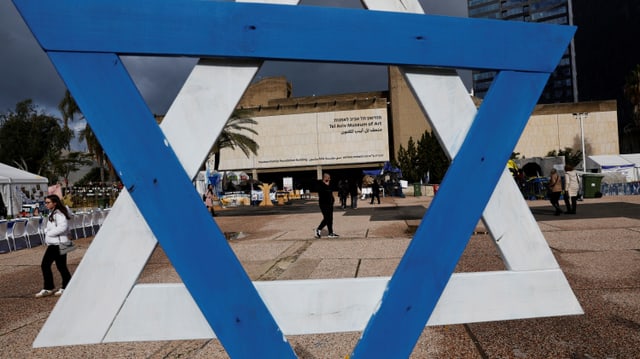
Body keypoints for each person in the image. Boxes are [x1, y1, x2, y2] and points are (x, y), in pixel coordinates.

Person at [36, 194, 73, 298]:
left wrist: (49, 233)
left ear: (54, 203)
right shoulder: (55, 212)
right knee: (61, 266)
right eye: (45, 202)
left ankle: (48, 287)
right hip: (61, 242)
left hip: (58, 243)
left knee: (45, 264)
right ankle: (67, 286)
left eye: (48, 202)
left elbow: (63, 227)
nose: (46, 204)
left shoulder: (59, 214)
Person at [315, 173, 338, 238]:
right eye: (328, 177)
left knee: (330, 218)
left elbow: (330, 193)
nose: (329, 179)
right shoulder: (320, 184)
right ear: (324, 178)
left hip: (330, 204)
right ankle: (318, 229)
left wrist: (333, 200)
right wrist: (326, 185)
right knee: (327, 218)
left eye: (329, 177)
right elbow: (322, 192)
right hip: (323, 204)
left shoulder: (329, 184)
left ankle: (330, 233)